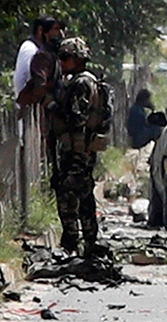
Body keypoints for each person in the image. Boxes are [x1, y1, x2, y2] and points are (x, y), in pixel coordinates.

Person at [49, 37, 103, 256]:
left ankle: (72, 242)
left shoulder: (81, 83)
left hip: (77, 149)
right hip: (81, 148)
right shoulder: (84, 81)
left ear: (78, 59)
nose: (62, 62)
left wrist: (54, 107)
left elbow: (76, 118)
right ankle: (89, 241)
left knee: (68, 195)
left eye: (65, 58)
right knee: (83, 193)